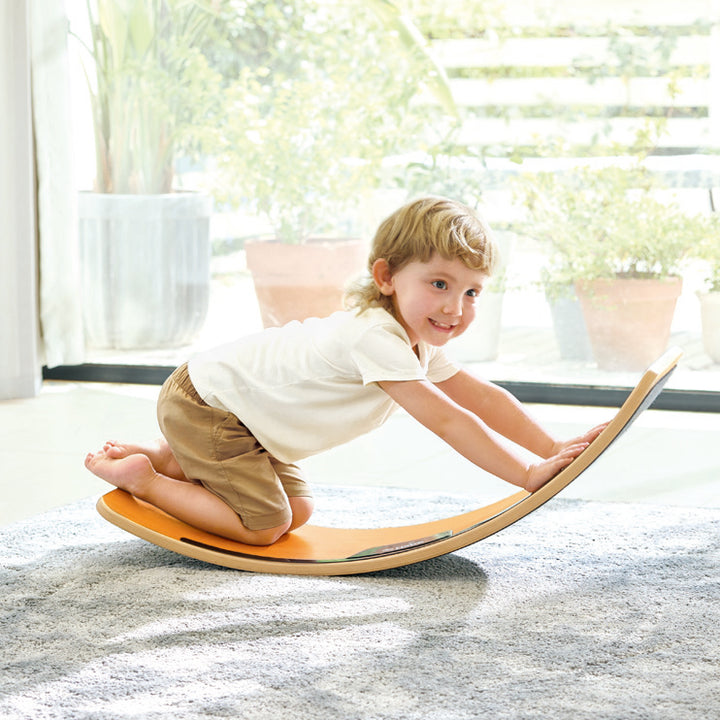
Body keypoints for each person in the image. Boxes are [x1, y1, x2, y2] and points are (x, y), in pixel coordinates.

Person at [85, 196, 606, 546]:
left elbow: (483, 398)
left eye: (472, 291)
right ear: (386, 277)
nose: (456, 307)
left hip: (241, 417)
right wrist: (526, 475)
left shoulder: (415, 339)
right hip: (208, 405)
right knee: (264, 525)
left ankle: (172, 458)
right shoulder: (374, 337)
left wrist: (552, 449)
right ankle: (147, 479)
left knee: (298, 511)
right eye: (439, 284)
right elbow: (450, 420)